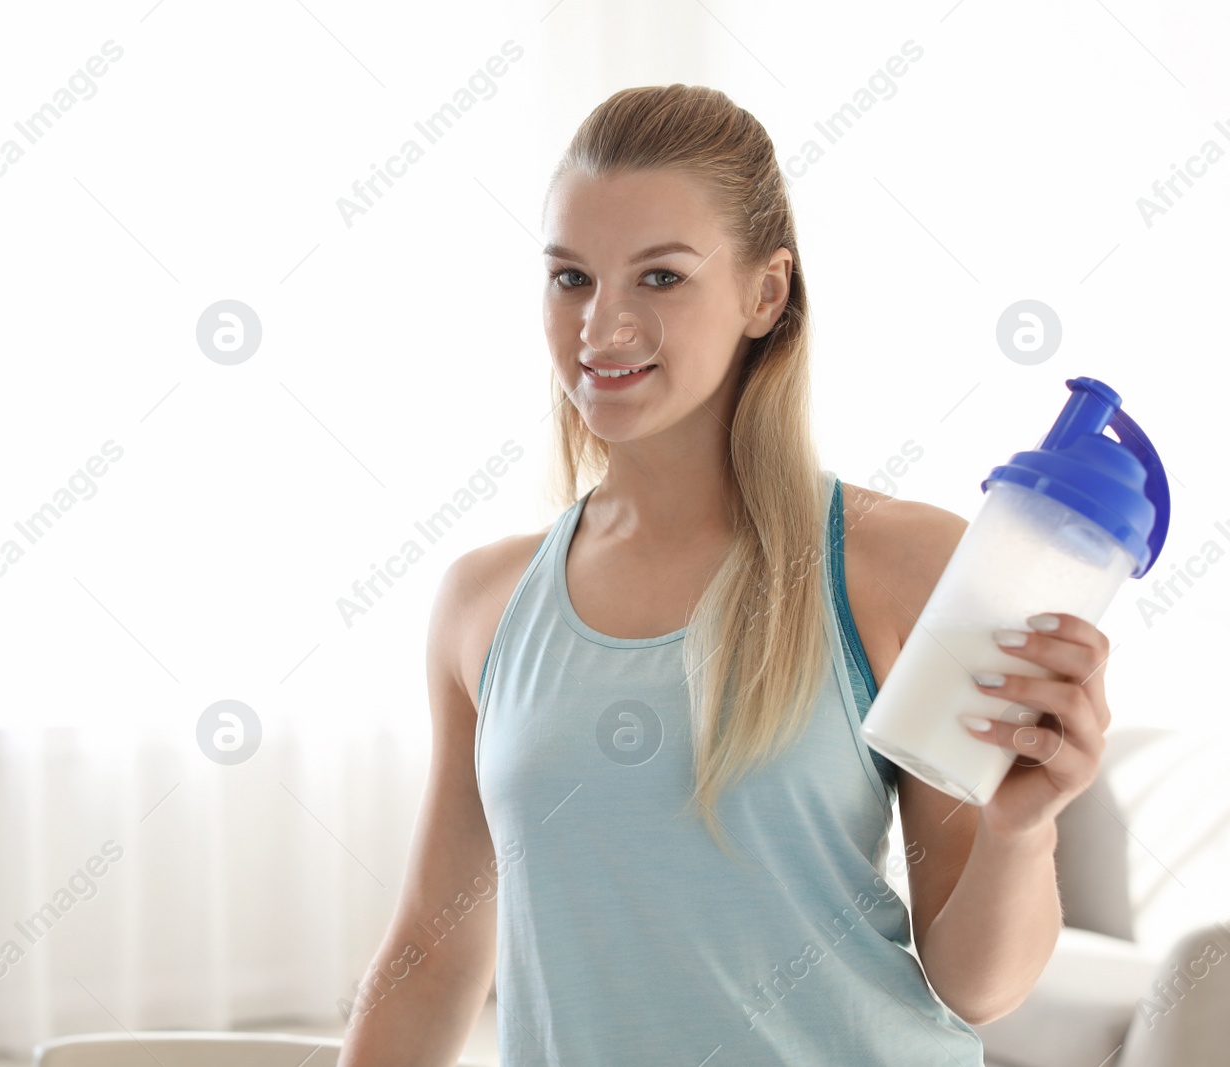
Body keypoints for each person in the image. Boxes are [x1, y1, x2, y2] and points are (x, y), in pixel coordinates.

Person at [337, 84, 1113, 1066]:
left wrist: (1018, 827)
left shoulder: (898, 567)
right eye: (570, 277)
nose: (600, 327)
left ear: (765, 293)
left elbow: (977, 982)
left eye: (658, 278)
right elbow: (432, 952)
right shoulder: (483, 606)